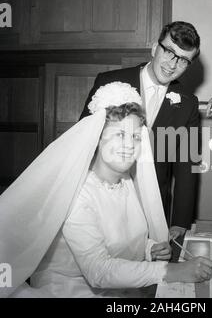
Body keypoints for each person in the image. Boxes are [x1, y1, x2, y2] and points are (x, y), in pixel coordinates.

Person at [0, 82, 212, 298]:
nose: (130, 145)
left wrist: (149, 248)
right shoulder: (78, 193)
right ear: (97, 138)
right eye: (120, 134)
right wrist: (173, 270)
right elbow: (98, 271)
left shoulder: (127, 183)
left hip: (120, 289)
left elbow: (118, 238)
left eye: (136, 137)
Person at [80, 21, 201, 240]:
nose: (173, 65)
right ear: (155, 48)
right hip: (105, 198)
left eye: (183, 60)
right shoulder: (109, 82)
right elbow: (83, 145)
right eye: (169, 52)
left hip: (153, 206)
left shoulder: (189, 103)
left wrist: (181, 221)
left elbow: (188, 163)